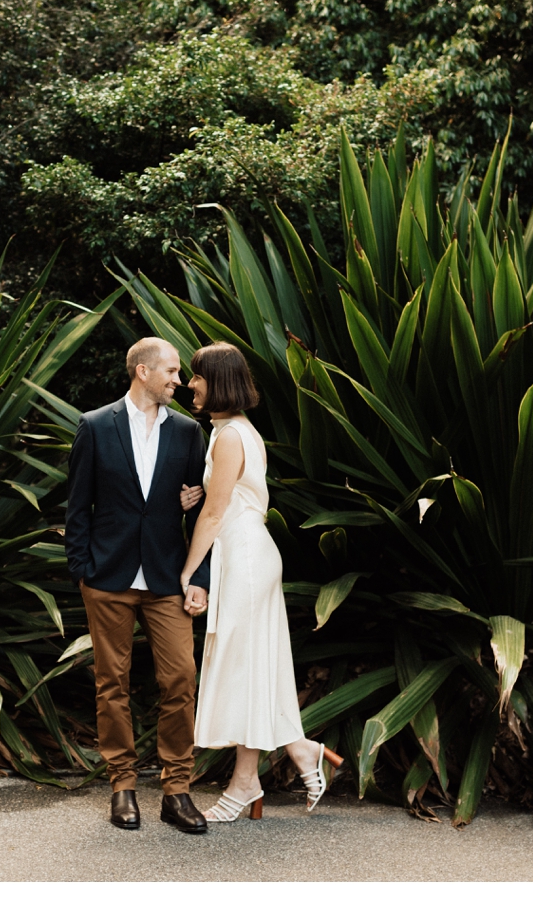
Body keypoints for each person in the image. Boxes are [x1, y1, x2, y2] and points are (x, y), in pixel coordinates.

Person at [180, 341, 343, 822]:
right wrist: (201, 492)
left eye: (198, 376)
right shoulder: (237, 432)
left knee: (241, 668)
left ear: (219, 382)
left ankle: (246, 782)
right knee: (254, 666)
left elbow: (216, 513)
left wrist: (190, 569)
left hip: (243, 558)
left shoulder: (229, 437)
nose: (191, 384)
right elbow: (225, 497)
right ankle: (300, 750)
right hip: (249, 552)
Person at [64, 337, 213, 834]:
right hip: (107, 577)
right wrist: (82, 569)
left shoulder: (190, 432)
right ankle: (122, 786)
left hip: (169, 577)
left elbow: (202, 513)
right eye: (171, 371)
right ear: (142, 371)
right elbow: (77, 504)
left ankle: (177, 791)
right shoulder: (94, 425)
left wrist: (201, 578)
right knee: (113, 685)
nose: (179, 380)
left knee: (180, 680)